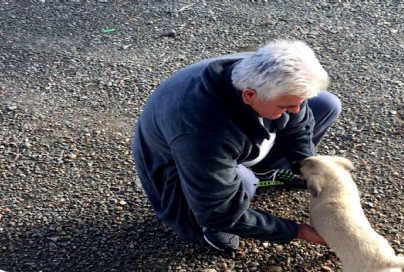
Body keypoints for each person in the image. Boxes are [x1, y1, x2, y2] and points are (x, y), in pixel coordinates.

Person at [132, 39, 341, 251]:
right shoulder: (204, 130)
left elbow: (298, 126)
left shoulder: (264, 72)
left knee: (326, 104)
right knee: (243, 183)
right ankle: (206, 226)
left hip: (223, 142)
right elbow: (218, 210)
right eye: (287, 106)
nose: (296, 110)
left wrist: (307, 167)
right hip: (184, 169)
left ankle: (265, 170)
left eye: (299, 103)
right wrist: (297, 230)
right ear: (249, 95)